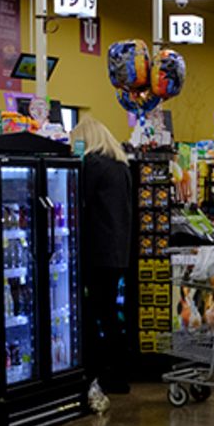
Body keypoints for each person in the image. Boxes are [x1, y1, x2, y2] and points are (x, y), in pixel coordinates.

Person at [75, 117, 133, 396]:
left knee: (95, 311)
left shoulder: (93, 166)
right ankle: (119, 372)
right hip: (117, 251)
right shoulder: (121, 166)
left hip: (96, 251)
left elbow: (78, 201)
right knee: (110, 313)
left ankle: (97, 368)